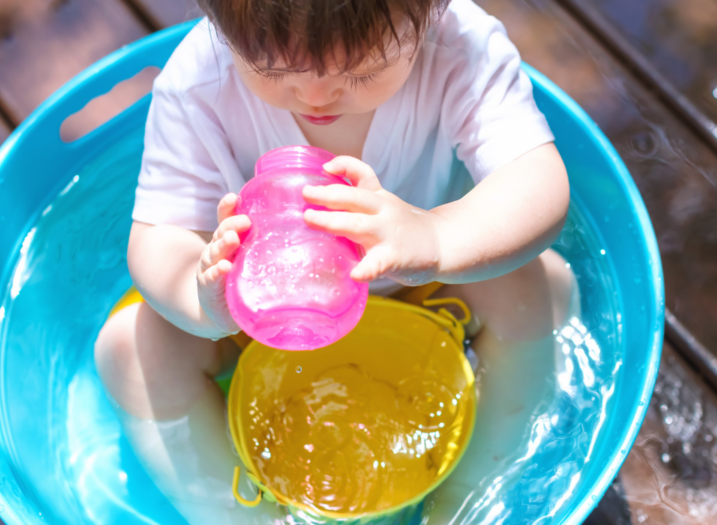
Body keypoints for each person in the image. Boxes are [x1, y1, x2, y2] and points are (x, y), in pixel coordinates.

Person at [94, 0, 573, 521]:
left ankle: (466, 500)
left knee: (542, 289)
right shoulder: (199, 82)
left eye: (362, 70)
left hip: (415, 285)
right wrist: (204, 295)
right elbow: (158, 235)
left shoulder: (461, 50)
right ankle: (249, 518)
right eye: (271, 67)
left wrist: (436, 237)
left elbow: (538, 182)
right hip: (265, 311)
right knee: (129, 352)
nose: (314, 94)